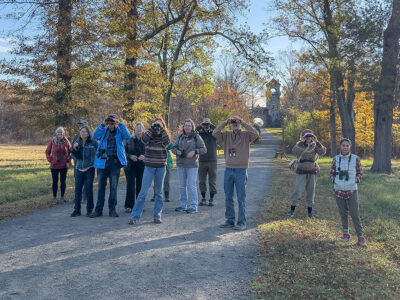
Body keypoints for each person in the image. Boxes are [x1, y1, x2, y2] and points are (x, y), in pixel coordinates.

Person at [213, 116, 258, 230]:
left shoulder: (246, 135)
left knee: (241, 197)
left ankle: (242, 222)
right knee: (228, 196)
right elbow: (215, 133)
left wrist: (243, 122)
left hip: (241, 170)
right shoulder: (227, 134)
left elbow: (255, 133)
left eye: (236, 122)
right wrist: (225, 122)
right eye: (233, 122)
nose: (235, 124)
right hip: (229, 169)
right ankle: (230, 220)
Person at [129, 117, 170, 225]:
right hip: (149, 166)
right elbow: (144, 139)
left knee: (159, 192)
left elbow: (167, 142)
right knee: (143, 192)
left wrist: (161, 129)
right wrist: (152, 128)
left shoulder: (164, 134)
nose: (157, 126)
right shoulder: (149, 133)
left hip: (161, 166)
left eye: (159, 124)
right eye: (155, 124)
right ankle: (135, 216)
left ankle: (157, 216)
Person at [89, 113, 131, 218]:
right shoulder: (103, 130)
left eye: (113, 121)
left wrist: (120, 124)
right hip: (102, 162)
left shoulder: (120, 131)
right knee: (100, 187)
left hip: (115, 162)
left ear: (116, 121)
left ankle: (112, 209)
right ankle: (98, 210)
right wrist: (102, 124)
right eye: (109, 121)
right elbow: (94, 136)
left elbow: (128, 137)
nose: (111, 124)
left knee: (113, 187)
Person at [330, 138, 367, 247]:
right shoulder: (335, 159)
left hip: (352, 189)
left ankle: (360, 236)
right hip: (339, 190)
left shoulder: (356, 159)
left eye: (347, 145)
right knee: (343, 212)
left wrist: (356, 180)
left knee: (355, 213)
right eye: (343, 145)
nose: (345, 147)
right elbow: (332, 172)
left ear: (350, 147)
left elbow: (360, 172)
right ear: (340, 147)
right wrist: (334, 181)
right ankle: (346, 234)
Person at [287, 129, 326, 218]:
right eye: (306, 136)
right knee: (297, 190)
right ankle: (292, 210)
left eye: (310, 136)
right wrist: (301, 141)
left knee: (311, 191)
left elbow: (323, 152)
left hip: (312, 171)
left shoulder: (315, 145)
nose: (308, 138)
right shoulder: (299, 145)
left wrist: (317, 141)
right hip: (301, 170)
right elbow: (294, 151)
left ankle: (309, 212)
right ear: (303, 137)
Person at [172, 119, 206, 214]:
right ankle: (183, 205)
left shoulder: (196, 137)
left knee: (191, 185)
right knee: (182, 186)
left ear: (192, 127)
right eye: (185, 125)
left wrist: (195, 151)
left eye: (189, 125)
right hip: (181, 165)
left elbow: (204, 149)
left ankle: (194, 206)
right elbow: (173, 148)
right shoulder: (180, 137)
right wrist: (177, 152)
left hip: (192, 165)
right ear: (183, 127)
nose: (187, 127)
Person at [70, 126, 98, 217]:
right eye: (81, 131)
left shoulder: (93, 143)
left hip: (89, 169)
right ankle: (77, 210)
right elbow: (73, 155)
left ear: (88, 133)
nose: (83, 133)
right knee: (77, 190)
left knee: (89, 189)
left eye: (84, 131)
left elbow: (97, 156)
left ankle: (89, 210)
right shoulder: (77, 142)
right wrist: (74, 148)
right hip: (78, 169)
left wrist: (90, 165)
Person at [45, 126, 71, 203]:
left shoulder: (67, 142)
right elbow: (47, 152)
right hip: (54, 166)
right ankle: (54, 198)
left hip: (64, 166)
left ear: (63, 133)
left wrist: (68, 160)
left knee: (63, 182)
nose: (60, 134)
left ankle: (62, 197)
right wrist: (50, 160)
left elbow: (71, 151)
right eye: (58, 132)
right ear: (56, 133)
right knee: (55, 182)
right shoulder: (52, 141)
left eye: (61, 132)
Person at [124, 122, 146, 213]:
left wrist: (144, 156)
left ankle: (140, 205)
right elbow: (124, 152)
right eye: (137, 128)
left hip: (142, 165)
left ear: (143, 129)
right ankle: (129, 205)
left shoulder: (146, 140)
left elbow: (149, 151)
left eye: (140, 128)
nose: (139, 130)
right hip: (130, 165)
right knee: (130, 185)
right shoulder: (129, 140)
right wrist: (130, 156)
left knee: (140, 186)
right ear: (134, 130)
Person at [196, 117, 217, 206]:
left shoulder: (214, 134)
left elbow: (218, 129)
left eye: (207, 124)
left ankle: (211, 199)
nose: (206, 126)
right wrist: (201, 125)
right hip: (202, 160)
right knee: (202, 181)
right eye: (205, 124)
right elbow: (193, 131)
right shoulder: (199, 134)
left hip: (212, 160)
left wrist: (210, 123)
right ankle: (203, 198)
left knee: (212, 181)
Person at [71, 120, 89, 202]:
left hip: (87, 164)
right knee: (78, 182)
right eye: (80, 126)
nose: (80, 127)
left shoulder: (91, 138)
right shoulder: (76, 137)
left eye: (82, 125)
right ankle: (77, 198)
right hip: (77, 164)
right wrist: (76, 159)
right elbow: (72, 150)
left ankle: (85, 197)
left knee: (86, 181)